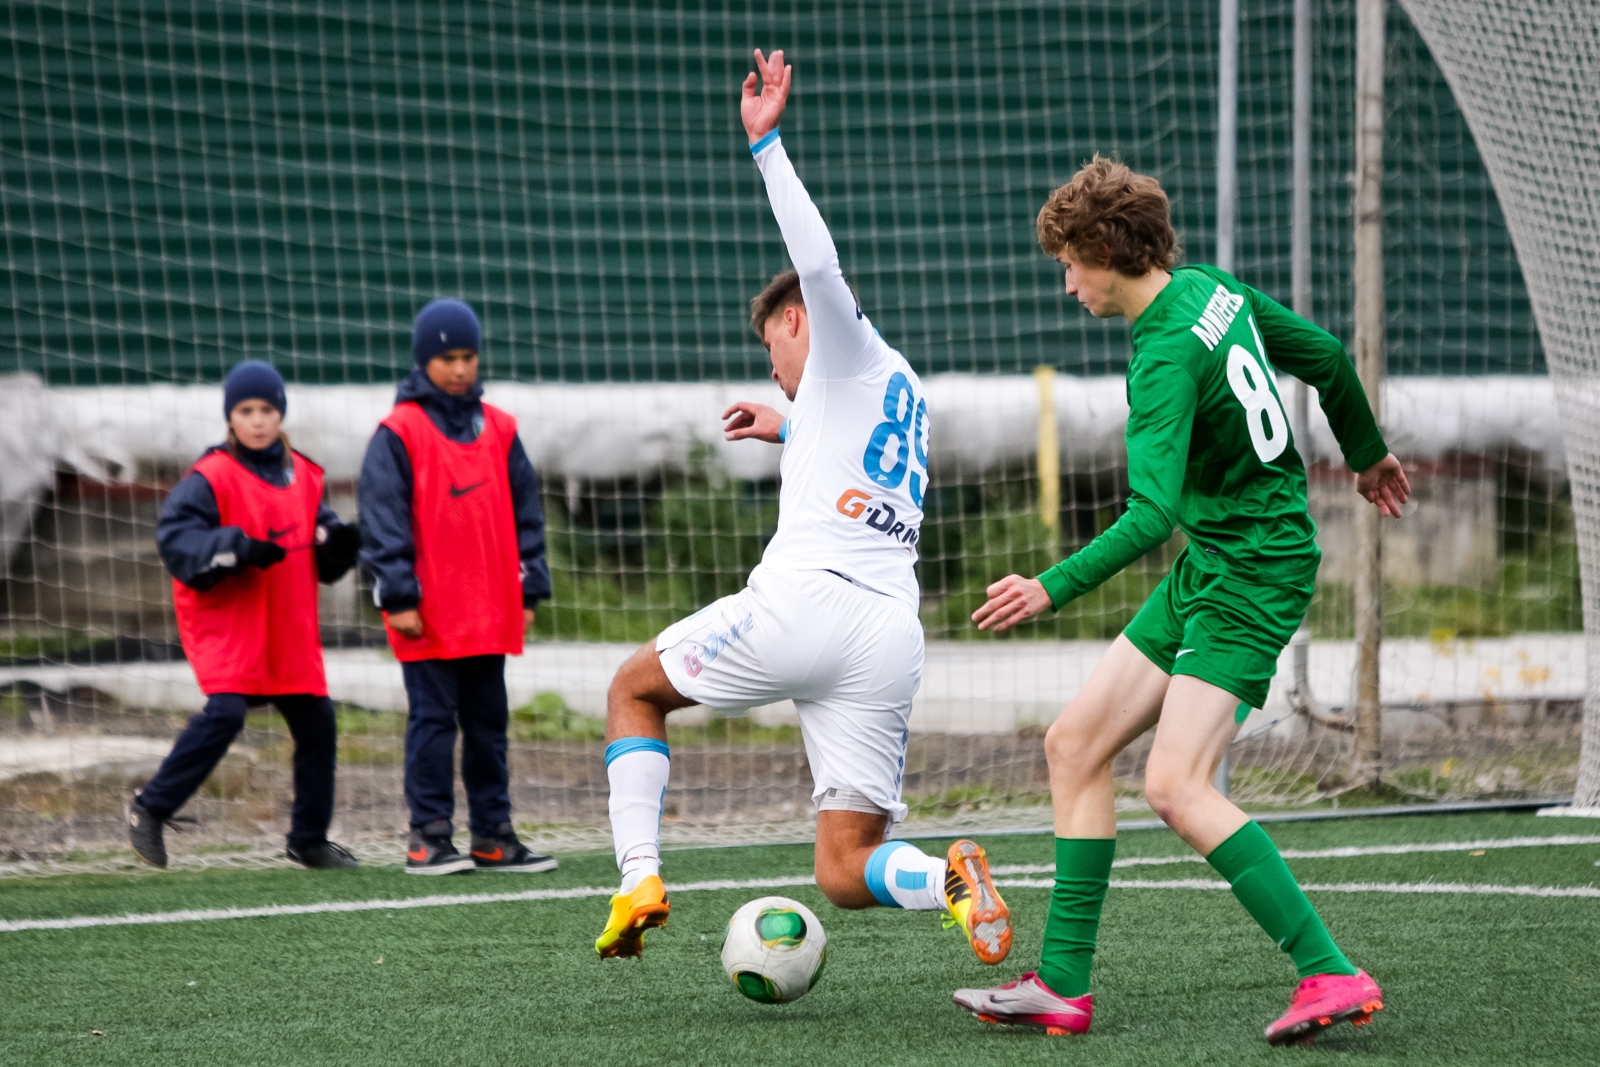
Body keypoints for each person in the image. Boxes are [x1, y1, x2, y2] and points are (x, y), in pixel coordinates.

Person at [952, 157, 1409, 1043]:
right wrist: (1366, 451)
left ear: (1106, 250)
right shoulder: (1210, 290)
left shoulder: (1162, 354)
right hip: (1218, 559)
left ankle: (1330, 971)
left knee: (1173, 782)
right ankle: (1062, 985)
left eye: (1070, 262)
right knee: (1075, 743)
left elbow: (1150, 512)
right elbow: (1323, 357)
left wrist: (1050, 585)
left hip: (1251, 572)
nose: (1068, 282)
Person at [593, 49, 1012, 966]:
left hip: (807, 601)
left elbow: (815, 261)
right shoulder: (903, 389)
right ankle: (947, 879)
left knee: (633, 689)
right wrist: (790, 426)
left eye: (775, 353)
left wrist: (767, 143)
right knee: (841, 868)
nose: (777, 369)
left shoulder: (839, 340)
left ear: (794, 324)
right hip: (887, 631)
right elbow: (856, 468)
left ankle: (637, 879)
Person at [129, 360, 363, 870]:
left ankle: (309, 839)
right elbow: (176, 540)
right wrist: (235, 548)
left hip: (286, 625)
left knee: (317, 720)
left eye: (267, 410)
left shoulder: (305, 474)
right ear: (230, 417)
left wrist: (341, 545)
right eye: (245, 410)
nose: (258, 420)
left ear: (281, 414)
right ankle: (149, 808)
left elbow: (321, 548)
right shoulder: (209, 476)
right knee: (227, 712)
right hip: (230, 623)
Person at [358, 297, 556, 875]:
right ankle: (429, 835)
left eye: (469, 356)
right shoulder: (398, 432)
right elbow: (381, 518)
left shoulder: (500, 429)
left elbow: (527, 515)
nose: (461, 368)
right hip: (428, 613)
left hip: (490, 612)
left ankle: (494, 834)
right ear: (425, 361)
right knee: (433, 725)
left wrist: (529, 590)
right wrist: (397, 594)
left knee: (489, 727)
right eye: (448, 358)